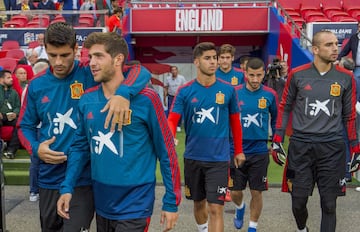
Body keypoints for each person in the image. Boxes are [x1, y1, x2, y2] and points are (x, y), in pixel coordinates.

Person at [17, 22, 151, 231]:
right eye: (52, 55)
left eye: (64, 55)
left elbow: (139, 71)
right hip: (49, 177)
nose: (58, 62)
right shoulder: (37, 84)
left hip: (83, 178)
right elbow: (24, 126)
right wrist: (36, 148)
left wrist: (124, 92)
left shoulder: (90, 72)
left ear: (76, 50)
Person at [57, 32, 181, 232]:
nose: (92, 63)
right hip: (102, 202)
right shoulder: (87, 100)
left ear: (118, 59)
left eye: (99, 56)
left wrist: (171, 200)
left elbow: (166, 151)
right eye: (90, 57)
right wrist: (67, 187)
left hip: (135, 203)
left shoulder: (147, 99)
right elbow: (79, 149)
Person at [272, 30, 359, 232]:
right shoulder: (297, 74)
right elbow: (284, 107)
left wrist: (355, 148)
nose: (335, 48)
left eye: (336, 44)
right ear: (315, 49)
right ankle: (302, 229)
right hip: (300, 147)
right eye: (329, 44)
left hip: (333, 148)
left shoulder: (346, 78)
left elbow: (350, 116)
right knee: (298, 202)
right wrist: (277, 140)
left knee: (329, 204)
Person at [168, 42, 245, 232]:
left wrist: (239, 150)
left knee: (216, 208)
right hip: (193, 157)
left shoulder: (228, 90)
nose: (213, 62)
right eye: (207, 58)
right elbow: (172, 120)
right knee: (198, 204)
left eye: (215, 58)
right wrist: (170, 136)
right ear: (196, 62)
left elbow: (235, 122)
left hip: (219, 159)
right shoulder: (185, 91)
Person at [229, 57, 278, 232]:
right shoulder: (233, 93)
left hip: (259, 150)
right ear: (245, 74)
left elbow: (276, 120)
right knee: (235, 191)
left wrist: (276, 142)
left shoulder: (270, 94)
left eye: (259, 75)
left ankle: (252, 227)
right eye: (252, 75)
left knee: (257, 192)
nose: (255, 79)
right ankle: (240, 207)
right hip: (236, 149)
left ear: (264, 73)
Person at [0, 69, 21, 159]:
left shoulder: (14, 92)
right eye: (8, 78)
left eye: (11, 77)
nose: (12, 79)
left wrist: (15, 114)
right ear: (1, 79)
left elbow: (18, 106)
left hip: (11, 116)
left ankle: (11, 151)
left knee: (20, 124)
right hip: (0, 116)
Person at [163, 65, 186, 131]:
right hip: (170, 96)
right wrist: (164, 99)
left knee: (179, 111)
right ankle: (172, 124)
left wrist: (184, 97)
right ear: (170, 71)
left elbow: (184, 88)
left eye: (175, 70)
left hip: (179, 97)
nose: (174, 71)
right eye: (172, 70)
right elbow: (166, 88)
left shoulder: (181, 78)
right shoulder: (168, 78)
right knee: (171, 111)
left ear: (177, 71)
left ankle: (178, 125)